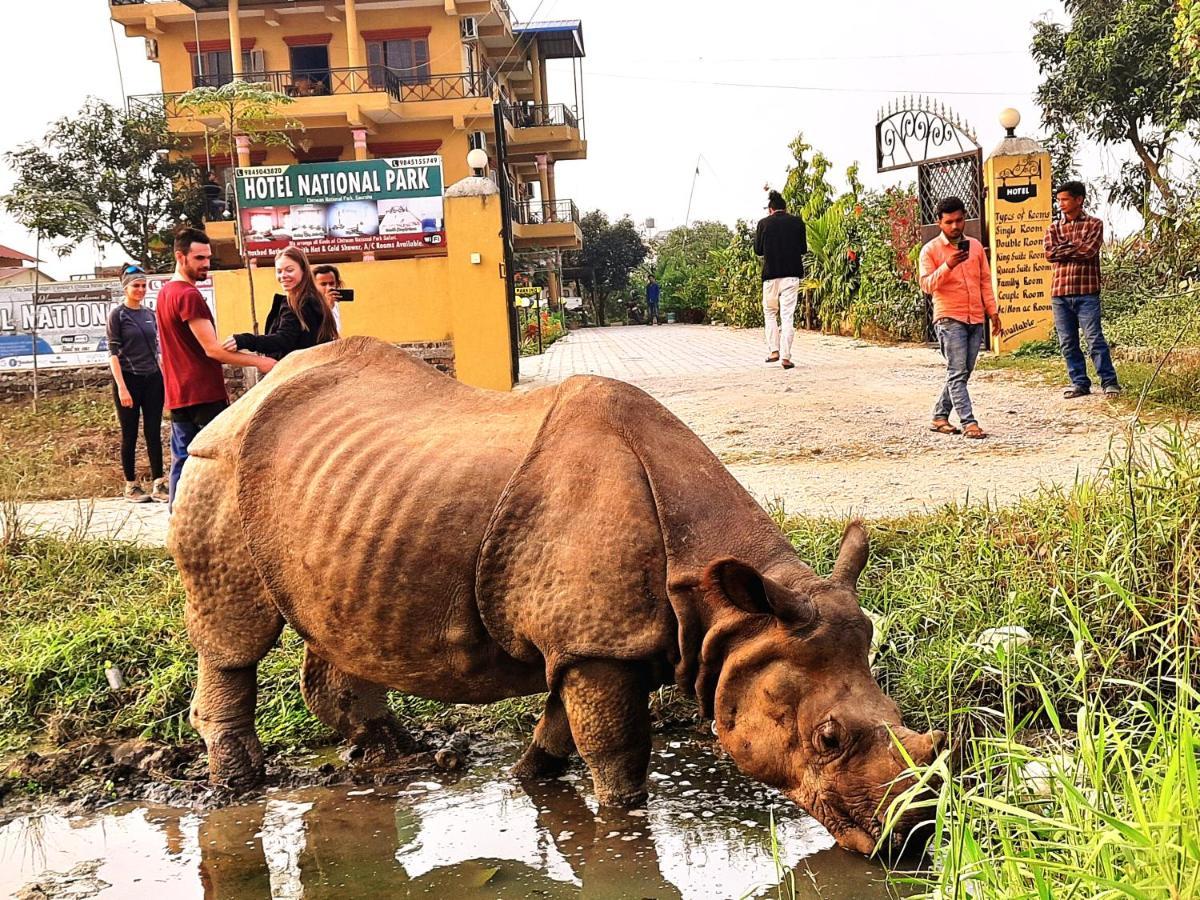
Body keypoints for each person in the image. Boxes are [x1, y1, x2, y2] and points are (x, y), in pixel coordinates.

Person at [157, 227, 275, 508]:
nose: (206, 264)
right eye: (198, 258)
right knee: (225, 461)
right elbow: (213, 350)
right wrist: (260, 361)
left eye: (208, 257)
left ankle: (177, 522)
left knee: (183, 462)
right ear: (180, 257)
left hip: (178, 394)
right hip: (203, 393)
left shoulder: (165, 293)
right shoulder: (188, 296)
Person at [919, 196, 1004, 440]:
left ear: (964, 217)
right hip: (948, 317)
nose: (955, 226)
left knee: (962, 372)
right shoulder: (931, 250)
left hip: (975, 317)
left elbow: (985, 281)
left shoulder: (975, 247)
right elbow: (926, 284)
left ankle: (939, 416)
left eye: (959, 220)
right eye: (949, 222)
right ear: (939, 223)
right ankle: (969, 422)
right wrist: (948, 266)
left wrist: (993, 312)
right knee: (958, 372)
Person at [1044, 181, 1120, 399]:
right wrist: (1071, 248)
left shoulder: (1094, 224)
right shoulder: (1053, 227)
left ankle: (1109, 381)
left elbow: (1088, 251)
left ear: (1079, 200)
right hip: (1060, 292)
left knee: (1094, 338)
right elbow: (1050, 254)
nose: (1061, 204)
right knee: (1067, 342)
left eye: (1065, 199)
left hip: (1086, 292)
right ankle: (1079, 383)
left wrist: (1063, 249)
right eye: (1059, 200)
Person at [107, 265, 167, 503]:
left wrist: (164, 377)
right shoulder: (118, 315)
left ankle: (159, 484)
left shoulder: (149, 314)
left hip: (152, 379)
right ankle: (131, 485)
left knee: (153, 432)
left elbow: (157, 350)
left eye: (143, 285)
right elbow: (113, 354)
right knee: (129, 434)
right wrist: (122, 386)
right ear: (126, 288)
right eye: (136, 285)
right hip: (128, 379)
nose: (140, 289)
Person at [225, 246, 338, 360]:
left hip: (296, 371)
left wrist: (244, 340)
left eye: (289, 270)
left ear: (303, 270)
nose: (283, 276)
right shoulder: (315, 299)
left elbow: (283, 339)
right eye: (279, 271)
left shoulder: (298, 303)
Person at [754, 190, 807, 369]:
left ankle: (773, 351)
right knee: (787, 315)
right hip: (791, 276)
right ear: (786, 208)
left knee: (770, 313)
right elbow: (803, 248)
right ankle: (786, 357)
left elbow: (758, 250)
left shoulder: (763, 224)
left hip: (770, 276)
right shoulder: (797, 222)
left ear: (770, 209)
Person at [312, 264, 345, 333]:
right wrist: (328, 309)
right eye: (323, 284)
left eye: (332, 283)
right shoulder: (308, 306)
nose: (329, 287)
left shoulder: (334, 303)